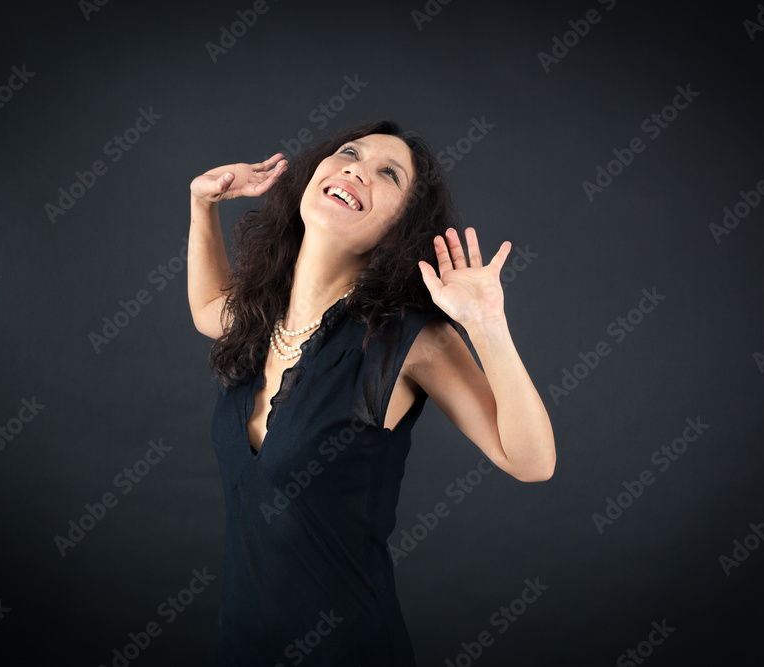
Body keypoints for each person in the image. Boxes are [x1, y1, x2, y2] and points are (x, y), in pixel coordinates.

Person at [188, 119, 555, 665]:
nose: (358, 169)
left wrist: (487, 325)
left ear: (401, 227)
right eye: (350, 153)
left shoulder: (405, 341)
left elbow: (532, 462)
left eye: (389, 174)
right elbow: (206, 310)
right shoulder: (261, 316)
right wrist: (202, 205)